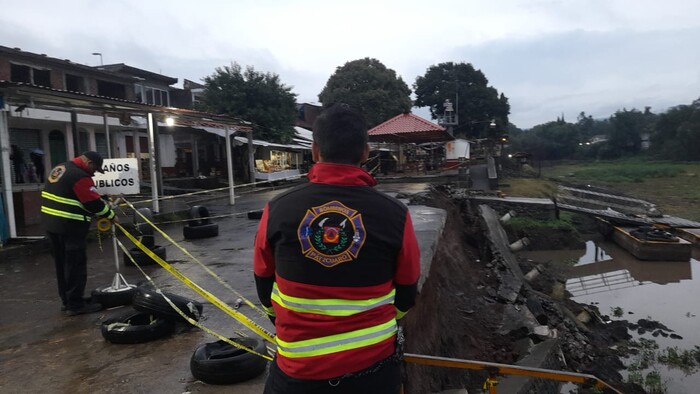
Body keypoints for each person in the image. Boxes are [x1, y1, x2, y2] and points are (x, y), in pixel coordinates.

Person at [254, 104, 420, 393]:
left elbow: (262, 281)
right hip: (373, 372)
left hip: (296, 375)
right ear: (366, 153)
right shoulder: (395, 214)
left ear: (315, 151)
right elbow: (407, 292)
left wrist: (280, 319)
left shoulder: (277, 209)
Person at [41, 151, 115, 316]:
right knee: (75, 266)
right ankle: (76, 305)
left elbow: (71, 195)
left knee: (62, 266)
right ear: (88, 163)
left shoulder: (60, 168)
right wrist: (110, 215)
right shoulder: (80, 176)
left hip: (52, 226)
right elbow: (93, 203)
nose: (95, 173)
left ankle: (67, 301)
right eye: (95, 169)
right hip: (70, 228)